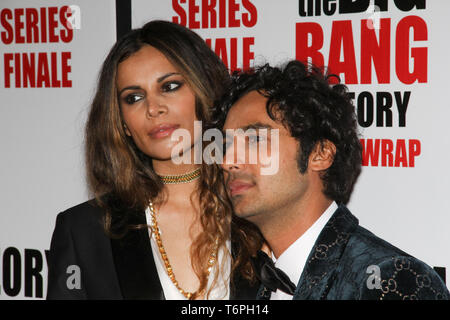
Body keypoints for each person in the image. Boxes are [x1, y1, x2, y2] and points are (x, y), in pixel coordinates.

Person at [46, 20, 262, 300]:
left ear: (204, 90)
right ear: (122, 122)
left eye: (170, 86)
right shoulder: (85, 230)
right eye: (134, 97)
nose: (153, 108)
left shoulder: (260, 208)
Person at [214, 60, 450, 300]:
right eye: (226, 144)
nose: (227, 161)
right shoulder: (249, 280)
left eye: (254, 140)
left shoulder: (391, 280)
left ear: (320, 154)